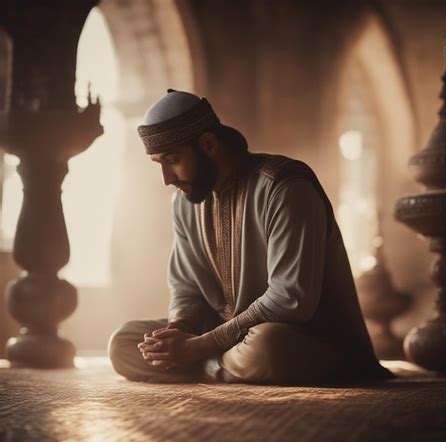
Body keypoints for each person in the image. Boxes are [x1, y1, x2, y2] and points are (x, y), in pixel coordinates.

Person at [108, 89, 391, 384]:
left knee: (269, 347)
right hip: (225, 339)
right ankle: (216, 367)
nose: (167, 178)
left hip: (302, 338)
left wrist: (198, 348)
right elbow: (186, 287)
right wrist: (179, 331)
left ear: (208, 144)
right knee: (123, 344)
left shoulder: (284, 187)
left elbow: (289, 299)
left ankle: (201, 366)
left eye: (173, 159)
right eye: (159, 164)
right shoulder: (184, 202)